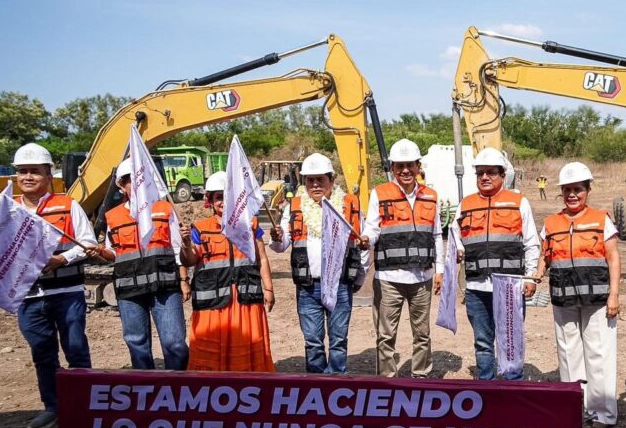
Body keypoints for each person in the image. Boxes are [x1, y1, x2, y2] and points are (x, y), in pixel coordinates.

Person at [11, 143, 95, 428]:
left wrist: (61, 258)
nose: (28, 176)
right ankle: (53, 407)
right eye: (23, 171)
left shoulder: (68, 206)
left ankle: (84, 403)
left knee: (75, 349)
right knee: (42, 353)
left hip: (66, 292)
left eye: (35, 171)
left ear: (49, 175)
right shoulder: (8, 211)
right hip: (29, 297)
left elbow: (89, 244)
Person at [534, 162, 621, 428]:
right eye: (568, 190)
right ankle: (573, 407)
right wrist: (536, 276)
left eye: (578, 189)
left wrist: (614, 295)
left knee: (598, 354)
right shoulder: (551, 223)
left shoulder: (601, 219)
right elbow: (544, 255)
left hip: (597, 301)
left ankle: (602, 412)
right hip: (563, 300)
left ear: (588, 190)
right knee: (568, 355)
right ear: (561, 192)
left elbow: (613, 258)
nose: (573, 194)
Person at [89, 159, 190, 370]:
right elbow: (115, 253)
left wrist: (183, 280)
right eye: (130, 181)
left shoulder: (164, 209)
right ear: (121, 185)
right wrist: (99, 252)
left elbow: (177, 250)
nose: (136, 185)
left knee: (175, 344)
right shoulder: (113, 216)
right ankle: (147, 392)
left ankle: (177, 392)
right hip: (129, 289)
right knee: (137, 344)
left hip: (165, 287)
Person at [270, 153, 365, 374]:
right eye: (309, 180)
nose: (315, 185)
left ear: (331, 180)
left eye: (320, 179)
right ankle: (316, 387)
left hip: (340, 285)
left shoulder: (348, 205)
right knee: (312, 341)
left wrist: (359, 277)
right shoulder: (294, 207)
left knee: (338, 341)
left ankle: (336, 387)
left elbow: (361, 243)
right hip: (308, 287)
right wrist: (276, 237)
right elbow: (281, 245)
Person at [451, 147, 539, 380]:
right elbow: (454, 235)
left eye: (491, 172)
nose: (485, 177)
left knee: (510, 339)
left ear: (502, 174)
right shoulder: (466, 204)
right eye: (480, 173)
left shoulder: (519, 202)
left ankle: (513, 388)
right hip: (477, 287)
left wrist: (530, 277)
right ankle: (487, 388)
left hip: (509, 286)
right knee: (482, 341)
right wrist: (459, 248)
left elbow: (531, 242)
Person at [358, 139, 443, 378]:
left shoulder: (431, 196)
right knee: (385, 335)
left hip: (422, 278)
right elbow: (372, 228)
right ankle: (387, 382)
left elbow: (437, 234)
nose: (405, 170)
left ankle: (421, 377)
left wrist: (440, 270)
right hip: (389, 279)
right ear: (392, 168)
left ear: (418, 166)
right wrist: (366, 238)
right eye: (399, 166)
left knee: (422, 334)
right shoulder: (380, 193)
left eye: (410, 165)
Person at [179, 171, 276, 372]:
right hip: (213, 306)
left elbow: (262, 258)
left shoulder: (250, 224)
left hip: (245, 303)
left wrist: (269, 289)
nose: (223, 202)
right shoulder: (200, 228)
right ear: (210, 200)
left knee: (247, 354)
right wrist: (186, 243)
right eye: (218, 197)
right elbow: (189, 260)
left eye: (227, 196)